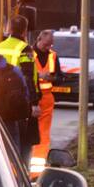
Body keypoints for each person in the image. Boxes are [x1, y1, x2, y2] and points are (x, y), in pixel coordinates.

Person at [0, 15, 41, 164]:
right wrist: (33, 103)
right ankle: (20, 176)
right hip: (19, 102)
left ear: (9, 29)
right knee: (22, 144)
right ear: (25, 31)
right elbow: (27, 76)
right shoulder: (25, 49)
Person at [30, 29, 60, 175]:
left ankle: (36, 171)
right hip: (30, 98)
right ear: (39, 39)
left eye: (51, 45)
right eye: (46, 44)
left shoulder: (53, 56)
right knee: (27, 133)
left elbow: (59, 77)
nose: (48, 47)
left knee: (43, 134)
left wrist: (51, 78)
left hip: (47, 98)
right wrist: (40, 75)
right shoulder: (28, 54)